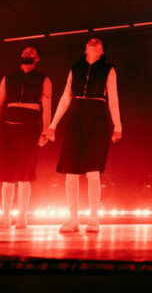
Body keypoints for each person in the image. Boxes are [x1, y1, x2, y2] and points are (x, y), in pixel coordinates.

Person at [47, 37, 122, 233]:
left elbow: (113, 98)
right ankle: (73, 219)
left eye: (98, 42)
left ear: (103, 51)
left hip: (97, 116)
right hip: (76, 116)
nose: (94, 42)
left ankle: (94, 218)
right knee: (70, 170)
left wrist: (118, 125)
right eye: (90, 41)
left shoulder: (109, 70)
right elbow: (66, 96)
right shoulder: (75, 69)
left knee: (92, 169)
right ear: (85, 49)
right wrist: (53, 124)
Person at [0, 45, 52, 229]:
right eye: (25, 50)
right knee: (6, 175)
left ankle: (22, 216)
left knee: (25, 174)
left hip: (29, 128)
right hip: (8, 127)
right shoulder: (8, 78)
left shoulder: (43, 79)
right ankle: (5, 217)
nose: (27, 52)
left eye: (32, 51)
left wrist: (45, 131)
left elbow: (47, 107)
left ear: (37, 58)